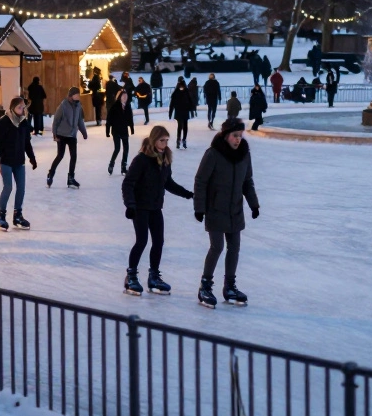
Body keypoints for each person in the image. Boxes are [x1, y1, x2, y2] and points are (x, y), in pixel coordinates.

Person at [193, 118, 260, 308]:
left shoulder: (244, 155)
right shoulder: (213, 154)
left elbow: (247, 181)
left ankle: (229, 286)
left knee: (234, 248)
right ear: (226, 135)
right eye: (234, 136)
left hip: (235, 209)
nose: (238, 139)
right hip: (215, 208)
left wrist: (254, 204)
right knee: (217, 247)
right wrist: (199, 207)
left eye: (240, 135)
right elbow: (201, 181)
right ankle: (205, 286)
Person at [122, 125, 194, 296]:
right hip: (140, 207)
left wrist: (187, 194)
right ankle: (131, 276)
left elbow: (167, 182)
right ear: (154, 140)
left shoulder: (165, 159)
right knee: (142, 241)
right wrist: (130, 205)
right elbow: (128, 183)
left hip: (155, 207)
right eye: (162, 140)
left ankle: (154, 276)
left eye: (167, 140)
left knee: (159, 241)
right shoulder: (141, 160)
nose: (165, 143)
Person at [0, 96, 37, 232]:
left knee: (21, 188)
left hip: (19, 161)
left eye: (23, 108)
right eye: (19, 107)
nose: (22, 110)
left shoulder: (23, 122)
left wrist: (32, 158)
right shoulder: (4, 122)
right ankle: (1, 216)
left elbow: (26, 142)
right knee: (8, 187)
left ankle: (17, 215)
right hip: (5, 161)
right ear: (12, 108)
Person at [48, 87, 88, 188]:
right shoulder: (63, 106)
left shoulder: (78, 105)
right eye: (76, 94)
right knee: (60, 155)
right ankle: (51, 174)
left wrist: (84, 132)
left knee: (73, 156)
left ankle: (71, 178)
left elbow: (80, 120)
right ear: (71, 96)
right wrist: (55, 134)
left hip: (72, 135)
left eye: (78, 94)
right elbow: (56, 120)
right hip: (61, 134)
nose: (78, 96)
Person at [106, 89, 135, 175]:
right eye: (123, 96)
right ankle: (111, 163)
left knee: (126, 149)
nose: (125, 97)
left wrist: (132, 128)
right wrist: (107, 131)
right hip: (116, 130)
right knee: (117, 148)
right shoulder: (115, 106)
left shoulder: (128, 106)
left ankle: (123, 167)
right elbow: (109, 119)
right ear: (119, 97)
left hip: (124, 130)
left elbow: (130, 118)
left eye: (126, 96)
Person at [169, 79, 193, 149]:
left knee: (185, 126)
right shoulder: (176, 93)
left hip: (185, 111)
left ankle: (184, 139)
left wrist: (192, 111)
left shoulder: (186, 92)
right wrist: (170, 112)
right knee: (180, 126)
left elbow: (190, 102)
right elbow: (172, 103)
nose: (182, 88)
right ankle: (178, 139)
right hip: (179, 111)